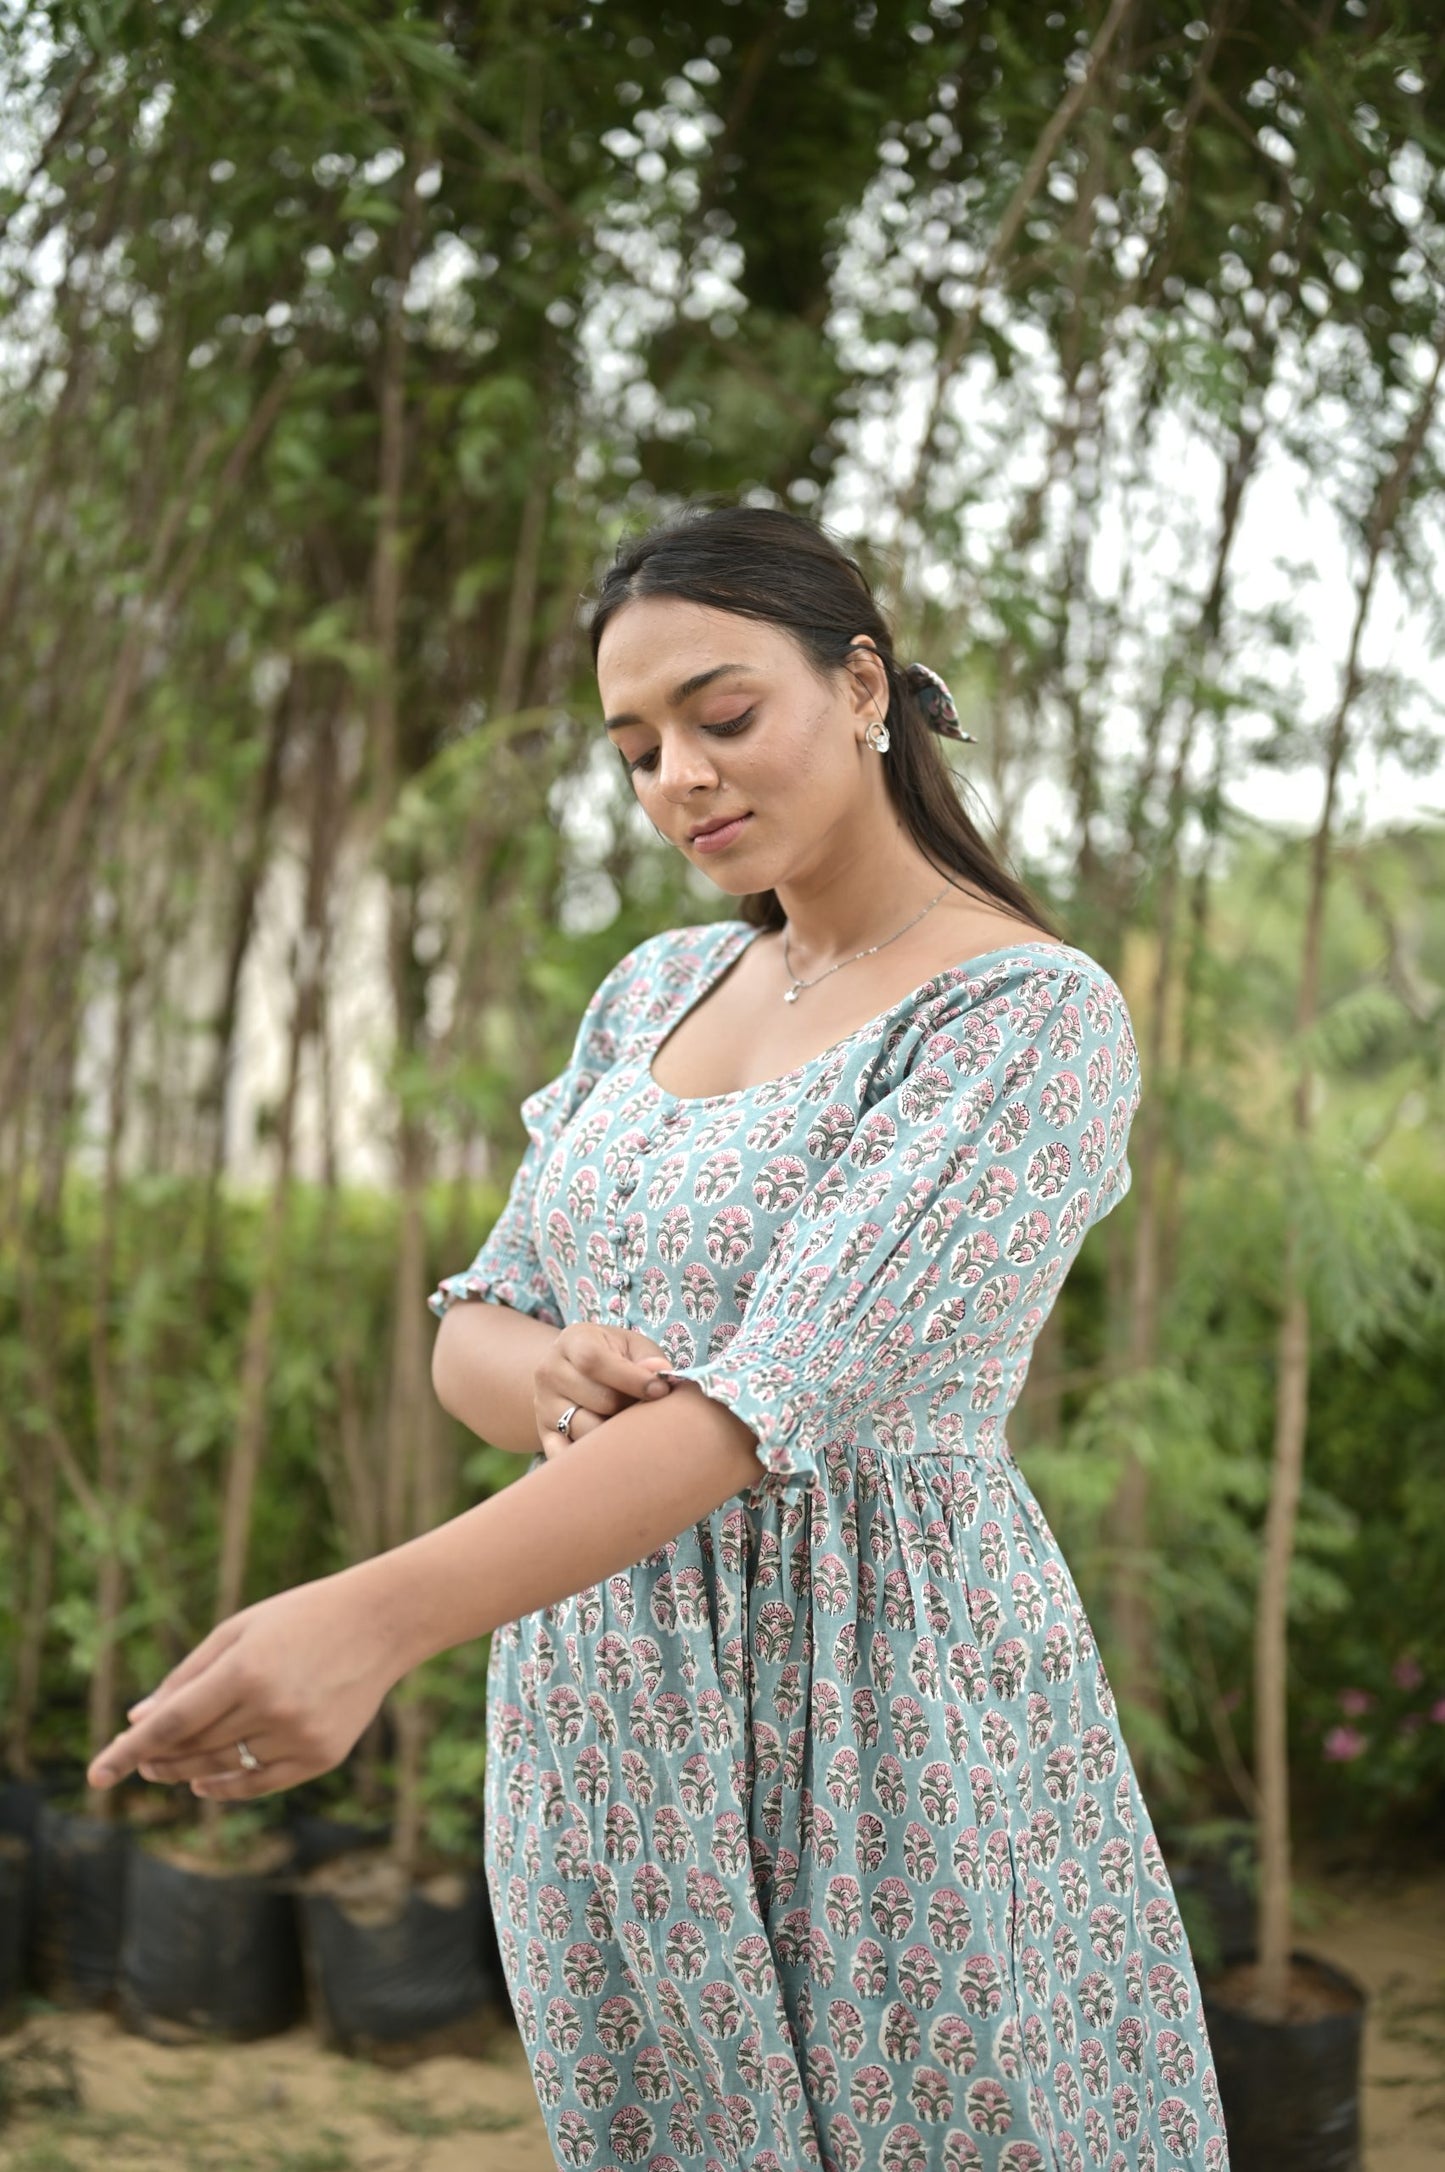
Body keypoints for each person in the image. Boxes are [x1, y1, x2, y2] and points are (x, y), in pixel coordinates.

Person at [90, 503, 1228, 2171]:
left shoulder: (1022, 1016)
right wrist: (550, 1370)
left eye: (720, 716)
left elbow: (758, 1415)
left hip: (882, 1689)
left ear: (858, 688)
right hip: (600, 1688)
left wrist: (366, 1622)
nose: (676, 777)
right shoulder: (653, 990)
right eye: (634, 750)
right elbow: (476, 1323)